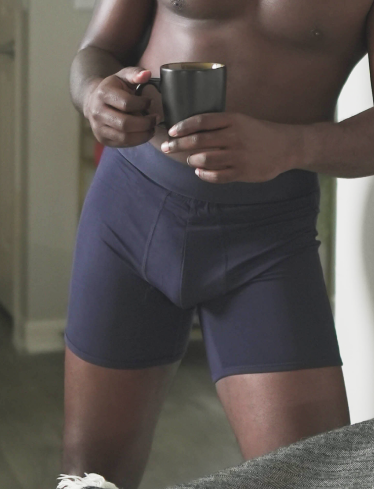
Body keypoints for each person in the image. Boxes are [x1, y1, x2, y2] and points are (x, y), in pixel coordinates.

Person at [63, 1, 374, 488]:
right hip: (129, 214)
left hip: (269, 240)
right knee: (89, 477)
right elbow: (96, 50)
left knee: (315, 477)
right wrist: (94, 96)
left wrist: (289, 145)